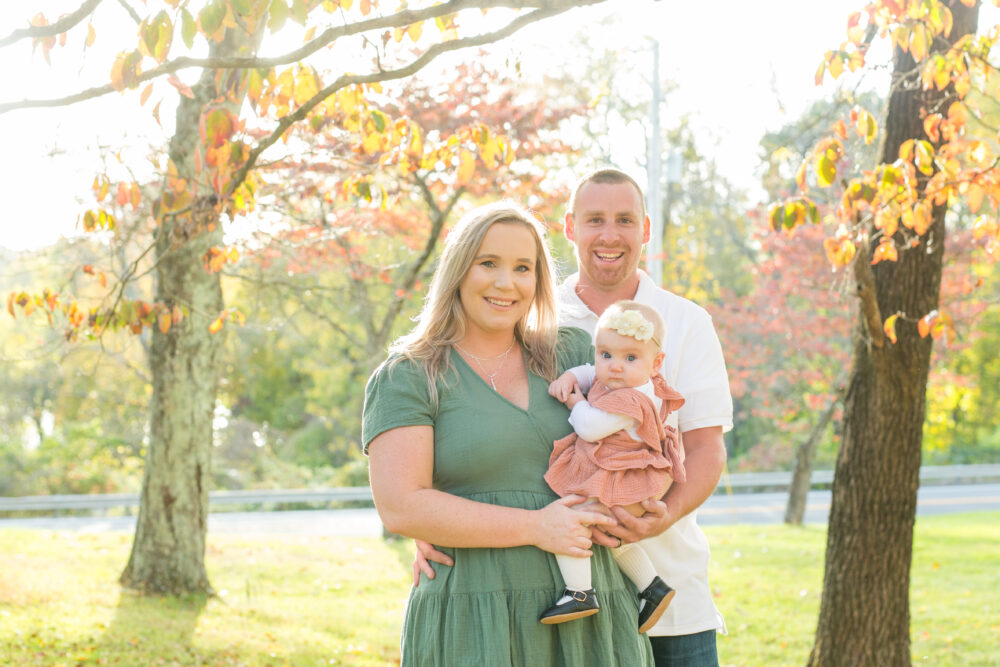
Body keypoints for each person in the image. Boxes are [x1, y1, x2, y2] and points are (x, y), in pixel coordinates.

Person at [417, 170, 733, 666]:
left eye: (624, 220)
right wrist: (442, 519)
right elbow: (491, 425)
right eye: (595, 220)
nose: (609, 234)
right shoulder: (532, 316)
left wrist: (661, 517)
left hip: (674, 593)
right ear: (570, 227)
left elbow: (706, 448)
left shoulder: (685, 321)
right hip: (569, 603)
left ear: (645, 229)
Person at [362, 201, 655, 665]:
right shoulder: (410, 376)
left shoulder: (574, 353)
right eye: (488, 263)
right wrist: (536, 527)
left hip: (590, 611)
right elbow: (401, 505)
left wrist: (641, 498)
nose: (506, 283)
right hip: (475, 613)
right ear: (458, 269)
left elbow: (639, 429)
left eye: (523, 267)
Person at [540, 300, 686, 635]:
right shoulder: (623, 379)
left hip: (627, 478)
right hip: (622, 473)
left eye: (630, 357)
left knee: (572, 519)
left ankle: (580, 592)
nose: (614, 367)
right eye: (605, 354)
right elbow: (590, 373)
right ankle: (652, 587)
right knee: (610, 532)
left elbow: (590, 427)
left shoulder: (631, 399)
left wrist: (573, 399)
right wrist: (571, 375)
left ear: (656, 363)